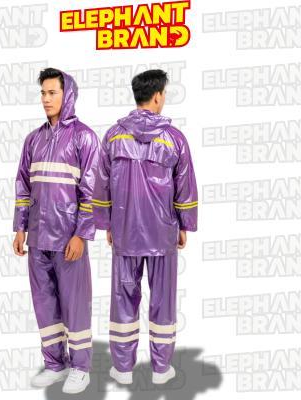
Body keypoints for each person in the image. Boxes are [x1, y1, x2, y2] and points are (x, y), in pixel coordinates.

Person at [92, 69, 198, 385]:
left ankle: (123, 369)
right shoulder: (174, 138)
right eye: (164, 93)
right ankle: (161, 369)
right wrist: (185, 224)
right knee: (163, 300)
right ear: (157, 96)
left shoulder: (113, 136)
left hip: (124, 231)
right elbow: (185, 185)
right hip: (163, 233)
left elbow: (101, 183)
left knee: (123, 298)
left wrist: (106, 223)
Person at [12, 68, 100, 394]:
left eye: (52, 93)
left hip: (68, 239)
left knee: (75, 304)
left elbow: (93, 192)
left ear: (67, 95)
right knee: (44, 304)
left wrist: (81, 234)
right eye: (43, 93)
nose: (46, 99)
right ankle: (54, 364)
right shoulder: (33, 140)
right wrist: (20, 227)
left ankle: (80, 367)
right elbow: (23, 186)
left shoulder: (84, 137)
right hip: (37, 238)